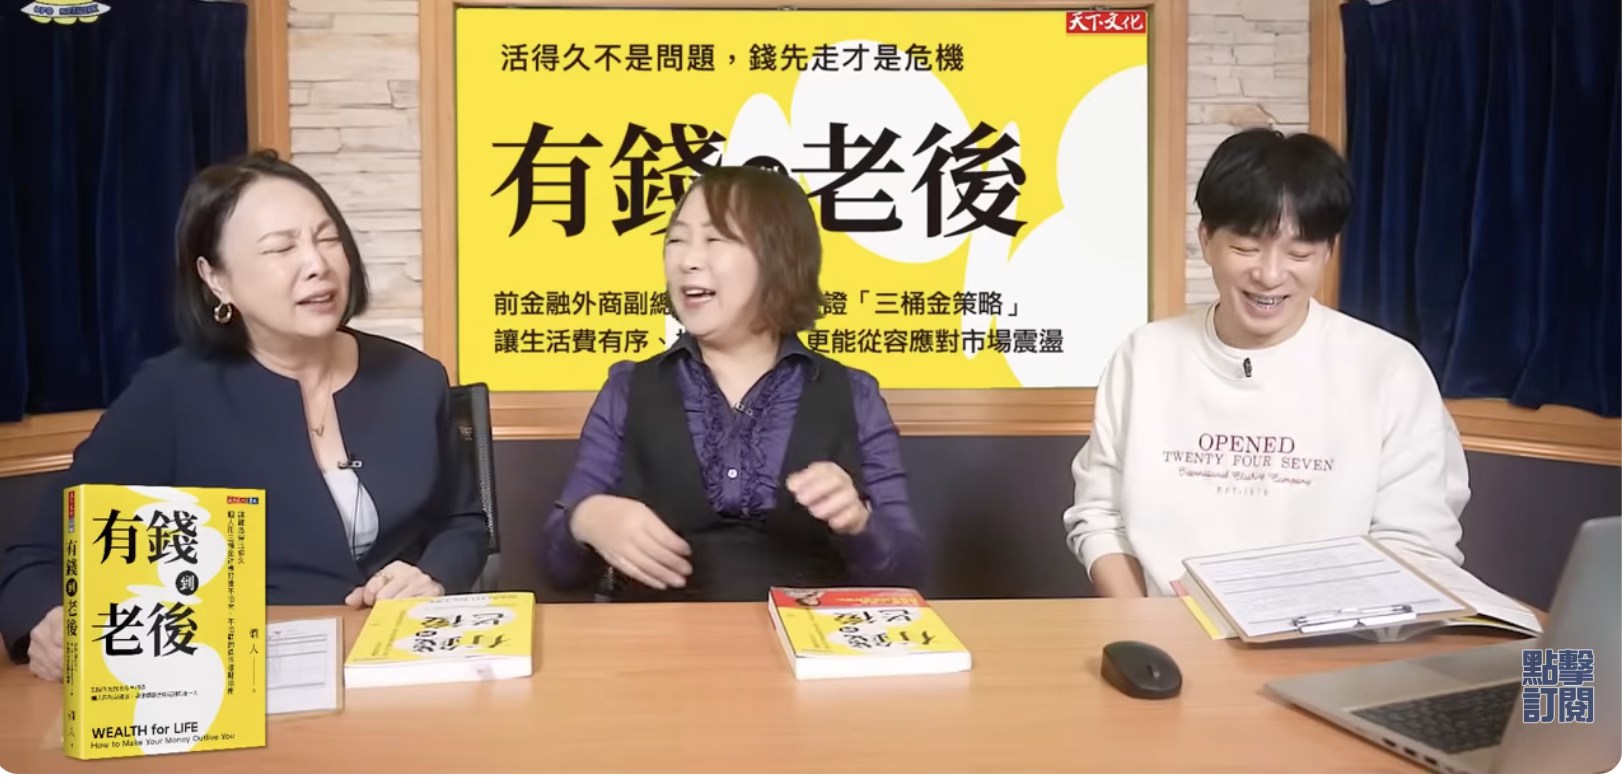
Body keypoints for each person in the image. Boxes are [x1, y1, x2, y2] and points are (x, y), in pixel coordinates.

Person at [0, 150, 489, 679]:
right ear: (217, 280)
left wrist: (432, 576)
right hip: (243, 681)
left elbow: (461, 522)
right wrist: (47, 620)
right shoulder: (171, 396)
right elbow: (34, 557)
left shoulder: (415, 379)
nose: (317, 264)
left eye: (328, 239)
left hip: (403, 669)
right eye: (281, 248)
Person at [1063, 128, 1470, 597]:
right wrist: (1142, 622)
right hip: (1164, 634)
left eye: (1299, 253)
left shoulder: (1390, 371)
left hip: (1335, 634)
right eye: (1246, 248)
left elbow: (1416, 544)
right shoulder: (1145, 357)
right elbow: (1101, 517)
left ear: (1328, 251)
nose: (1270, 275)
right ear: (1206, 240)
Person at [540, 165, 924, 601]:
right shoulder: (628, 388)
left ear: (778, 256)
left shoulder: (853, 393)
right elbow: (556, 568)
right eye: (677, 240)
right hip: (658, 639)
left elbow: (907, 570)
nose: (688, 260)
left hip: (806, 636)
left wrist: (859, 522)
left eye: (715, 240)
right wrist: (586, 520)